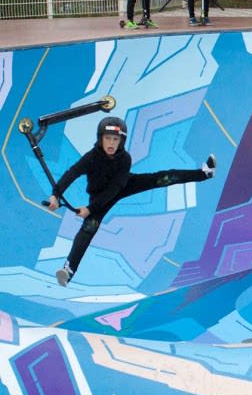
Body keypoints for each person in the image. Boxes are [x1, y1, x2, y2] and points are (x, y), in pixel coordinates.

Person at [49, 117, 216, 286]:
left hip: (122, 185)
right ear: (100, 138)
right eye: (107, 138)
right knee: (89, 228)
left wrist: (91, 209)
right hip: (99, 196)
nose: (111, 143)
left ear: (122, 141)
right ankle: (68, 270)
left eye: (116, 139)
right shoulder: (91, 158)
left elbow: (114, 189)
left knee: (162, 178)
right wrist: (55, 195)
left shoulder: (125, 159)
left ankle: (204, 173)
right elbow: (72, 173)